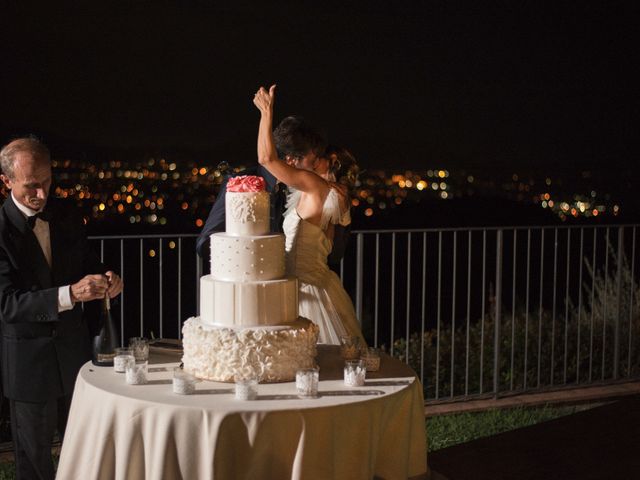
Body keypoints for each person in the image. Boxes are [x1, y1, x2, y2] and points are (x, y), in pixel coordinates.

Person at [0, 136, 123, 480]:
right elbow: (7, 304)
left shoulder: (67, 214)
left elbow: (87, 263)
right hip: (29, 367)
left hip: (75, 358)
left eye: (47, 182)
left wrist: (108, 279)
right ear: (6, 181)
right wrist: (70, 294)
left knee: (86, 455)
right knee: (35, 466)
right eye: (31, 186)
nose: (42, 194)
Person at [253, 85, 365, 345]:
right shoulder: (328, 193)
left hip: (306, 292)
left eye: (318, 157)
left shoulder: (317, 187)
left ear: (331, 161)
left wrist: (266, 113)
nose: (312, 160)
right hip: (305, 285)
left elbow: (266, 158)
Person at [196, 117, 350, 269]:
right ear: (291, 160)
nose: (315, 166)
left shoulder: (301, 192)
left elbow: (334, 255)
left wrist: (341, 216)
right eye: (314, 160)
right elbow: (205, 243)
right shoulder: (241, 184)